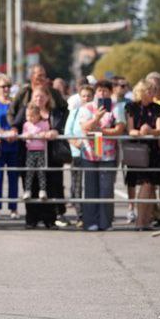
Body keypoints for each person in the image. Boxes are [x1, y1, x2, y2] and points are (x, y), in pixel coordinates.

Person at [8, 87, 69, 229]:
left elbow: (60, 127)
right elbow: (15, 125)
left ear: (48, 98)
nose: (39, 99)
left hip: (51, 156)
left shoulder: (54, 112)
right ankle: (32, 219)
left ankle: (49, 219)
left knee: (50, 186)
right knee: (30, 185)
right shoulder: (25, 111)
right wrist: (16, 131)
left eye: (42, 96)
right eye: (36, 96)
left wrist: (54, 130)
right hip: (29, 154)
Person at [78, 80, 125, 230]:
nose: (102, 93)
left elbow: (119, 129)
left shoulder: (116, 108)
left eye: (105, 90)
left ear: (110, 92)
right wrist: (96, 118)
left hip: (108, 155)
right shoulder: (87, 108)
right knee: (90, 189)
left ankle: (106, 222)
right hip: (90, 154)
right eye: (99, 90)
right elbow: (84, 128)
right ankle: (90, 221)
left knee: (106, 190)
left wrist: (101, 131)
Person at [125, 81, 160, 230]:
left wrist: (149, 130)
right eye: (149, 90)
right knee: (145, 184)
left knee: (150, 186)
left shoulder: (158, 108)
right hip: (138, 150)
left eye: (153, 90)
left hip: (154, 151)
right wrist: (137, 132)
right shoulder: (132, 107)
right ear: (141, 91)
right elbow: (130, 129)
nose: (152, 93)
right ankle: (140, 221)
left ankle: (146, 220)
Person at [64, 83, 95, 226]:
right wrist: (74, 142)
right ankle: (80, 215)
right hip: (77, 153)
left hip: (93, 154)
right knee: (77, 185)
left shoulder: (96, 112)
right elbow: (67, 132)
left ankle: (91, 213)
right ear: (80, 97)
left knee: (90, 184)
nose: (86, 98)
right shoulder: (74, 112)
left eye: (89, 96)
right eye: (84, 96)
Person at [0, 74, 19, 220]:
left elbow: (20, 120)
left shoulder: (14, 102)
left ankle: (13, 208)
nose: (5, 89)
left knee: (13, 177)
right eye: (2, 86)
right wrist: (2, 133)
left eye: (8, 86)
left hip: (14, 144)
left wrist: (14, 131)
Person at [21, 104, 50, 201]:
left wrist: (44, 134)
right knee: (29, 172)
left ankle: (42, 190)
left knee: (41, 172)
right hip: (30, 151)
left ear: (38, 115)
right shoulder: (26, 125)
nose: (29, 118)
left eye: (32, 116)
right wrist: (26, 135)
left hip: (41, 151)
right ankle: (27, 191)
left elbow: (47, 132)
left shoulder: (44, 123)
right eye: (27, 116)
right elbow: (23, 135)